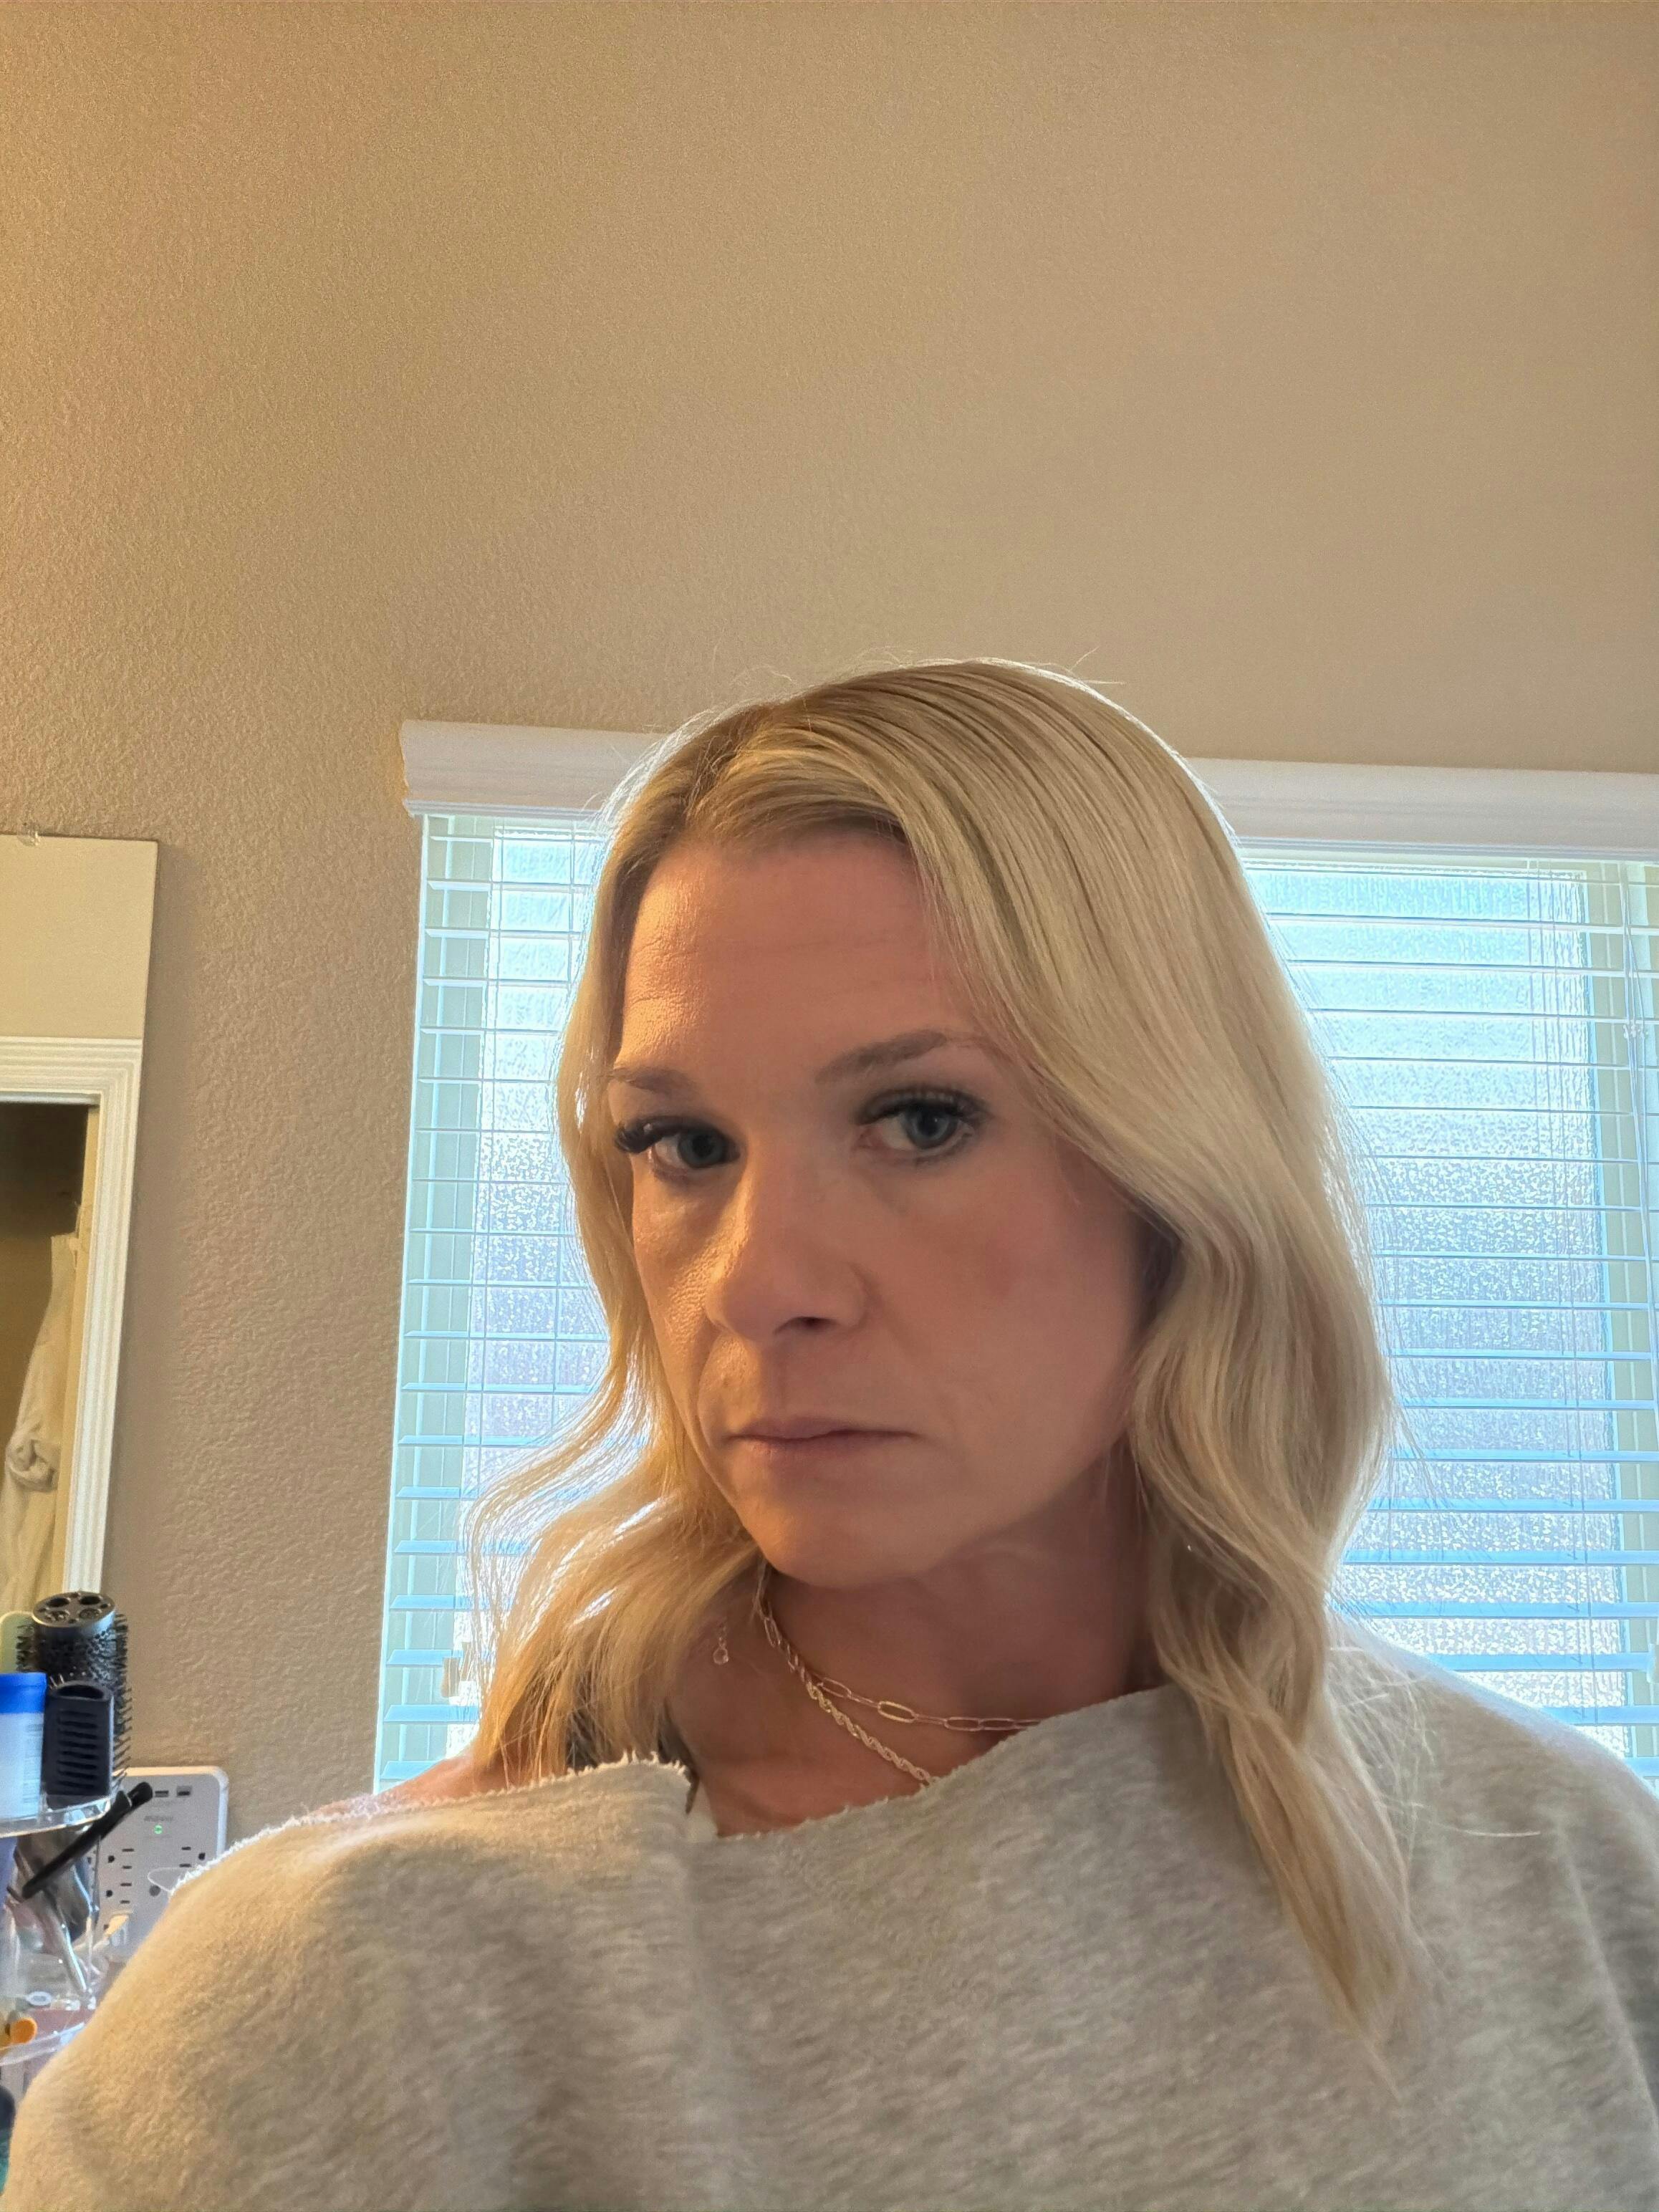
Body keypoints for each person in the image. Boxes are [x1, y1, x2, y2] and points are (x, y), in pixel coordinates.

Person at [7, 657, 1658, 2211]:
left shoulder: (1566, 1863)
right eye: (683, 1142)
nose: (757, 1282)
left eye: (921, 1117)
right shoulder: (328, 1999)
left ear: (1186, 1177)